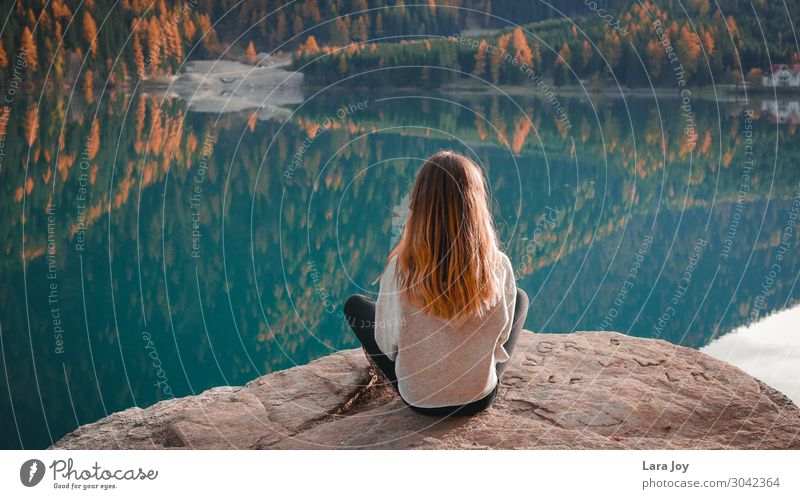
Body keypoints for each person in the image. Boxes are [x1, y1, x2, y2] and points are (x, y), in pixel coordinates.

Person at [344, 150, 529, 417]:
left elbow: (388, 345)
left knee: (356, 306)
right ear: (477, 206)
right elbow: (500, 340)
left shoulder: (401, 269)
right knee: (520, 298)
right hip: (478, 398)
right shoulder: (497, 265)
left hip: (420, 401)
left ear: (419, 205)